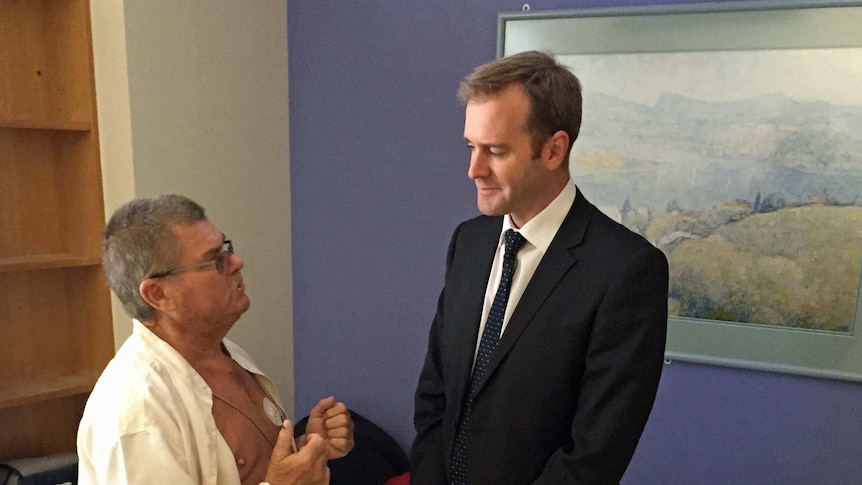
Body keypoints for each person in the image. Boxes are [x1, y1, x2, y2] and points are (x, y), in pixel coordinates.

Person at [412, 50, 669, 484]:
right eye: (471, 147)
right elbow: (436, 397)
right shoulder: (469, 243)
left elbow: (595, 453)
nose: (474, 169)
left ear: (553, 150)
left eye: (495, 151)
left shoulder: (627, 270)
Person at [77, 194, 354, 485]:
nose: (236, 262)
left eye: (227, 249)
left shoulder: (224, 352)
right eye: (214, 260)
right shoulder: (136, 413)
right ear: (159, 295)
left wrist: (307, 447)